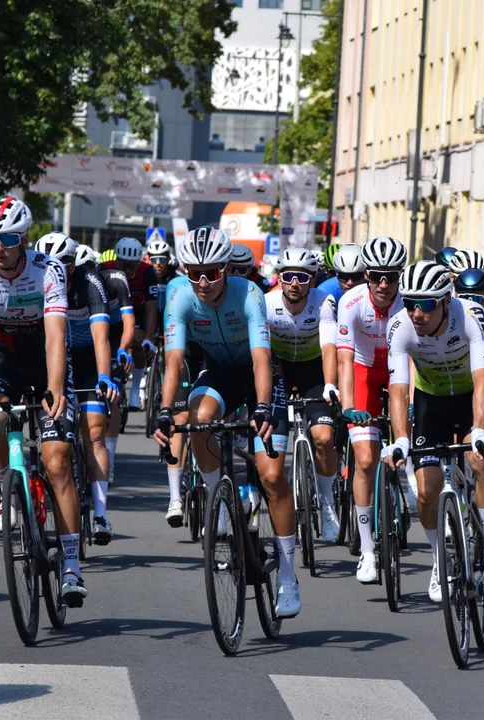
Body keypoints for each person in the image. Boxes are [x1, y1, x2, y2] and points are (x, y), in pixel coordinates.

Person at [153, 225, 300, 617]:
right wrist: (165, 410)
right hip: (218, 374)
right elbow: (173, 360)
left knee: (271, 477)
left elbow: (261, 360)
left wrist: (265, 406)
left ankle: (288, 574)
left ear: (226, 270)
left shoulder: (248, 293)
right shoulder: (179, 293)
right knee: (198, 422)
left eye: (212, 272)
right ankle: (220, 500)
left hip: (258, 378)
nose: (202, 281)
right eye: (193, 271)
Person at [0, 196, 87, 606]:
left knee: (56, 460)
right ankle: (5, 482)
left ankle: (70, 565)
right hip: (7, 358)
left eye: (8, 238)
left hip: (46, 359)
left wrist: (55, 388)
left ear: (24, 238)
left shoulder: (47, 271)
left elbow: (56, 336)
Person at [383, 261, 484, 601]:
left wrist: (480, 430)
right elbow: (397, 389)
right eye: (409, 304)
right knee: (427, 490)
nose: (415, 313)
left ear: (446, 301)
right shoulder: (399, 326)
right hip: (430, 403)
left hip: (470, 400)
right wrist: (401, 439)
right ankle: (440, 560)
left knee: (480, 461)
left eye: (425, 305)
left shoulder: (470, 316)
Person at [35, 233, 121, 544]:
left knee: (95, 431)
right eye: (50, 263)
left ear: (75, 264)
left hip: (86, 360)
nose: (58, 269)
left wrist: (104, 376)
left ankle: (100, 514)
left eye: (65, 263)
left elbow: (101, 338)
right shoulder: (37, 280)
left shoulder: (89, 283)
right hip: (52, 359)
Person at [337, 236, 406, 584]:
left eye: (391, 276)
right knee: (365, 459)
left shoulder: (411, 303)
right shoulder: (351, 301)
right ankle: (367, 550)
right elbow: (345, 360)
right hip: (364, 370)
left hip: (399, 372)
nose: (384, 284)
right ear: (366, 275)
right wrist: (349, 408)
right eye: (377, 275)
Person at [266, 248, 341, 541]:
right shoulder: (267, 303)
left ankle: (326, 502)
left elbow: (329, 347)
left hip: (313, 371)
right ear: (280, 278)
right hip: (279, 371)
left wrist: (331, 383)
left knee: (323, 437)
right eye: (288, 276)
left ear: (313, 279)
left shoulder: (324, 302)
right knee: (271, 443)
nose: (294, 283)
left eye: (302, 277)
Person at [79, 245, 134, 488]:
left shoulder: (116, 280)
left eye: (91, 270)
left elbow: (130, 322)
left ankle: (108, 458)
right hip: (87, 336)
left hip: (115, 333)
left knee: (113, 392)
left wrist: (123, 348)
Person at [101, 237, 159, 412]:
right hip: (113, 312)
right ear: (116, 261)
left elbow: (151, 308)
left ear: (138, 263)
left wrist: (148, 339)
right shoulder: (104, 268)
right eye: (124, 265)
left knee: (138, 342)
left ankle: (135, 390)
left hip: (137, 311)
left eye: (132, 266)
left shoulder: (147, 271)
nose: (128, 270)